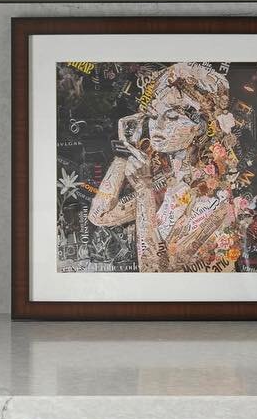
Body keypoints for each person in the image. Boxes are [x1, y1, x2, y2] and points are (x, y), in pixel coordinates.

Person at [88, 61, 246, 272]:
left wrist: (144, 191)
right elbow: (99, 215)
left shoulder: (213, 196)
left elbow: (154, 270)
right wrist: (123, 153)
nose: (157, 126)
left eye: (171, 116)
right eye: (153, 116)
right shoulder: (170, 179)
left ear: (200, 127)